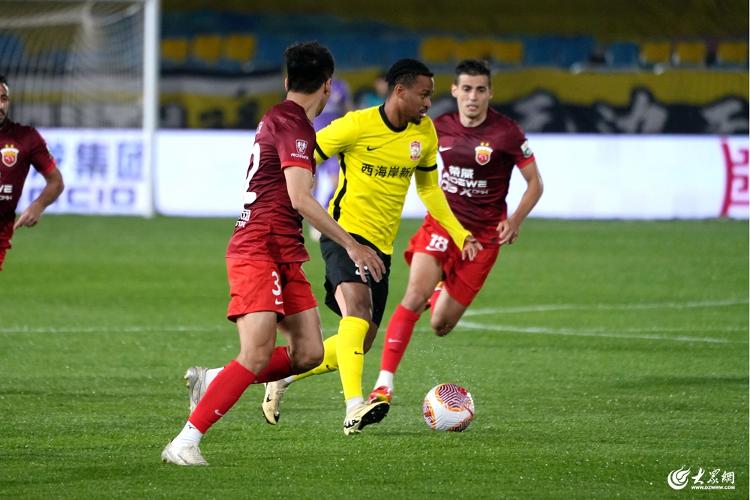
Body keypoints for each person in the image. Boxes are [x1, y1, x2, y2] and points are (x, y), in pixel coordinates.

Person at [160, 42, 385, 466]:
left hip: (285, 250)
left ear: (286, 81)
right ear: (328, 86)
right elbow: (300, 198)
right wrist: (351, 243)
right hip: (258, 247)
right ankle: (185, 442)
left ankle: (214, 379)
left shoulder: (283, 119)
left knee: (309, 353)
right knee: (256, 352)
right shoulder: (294, 125)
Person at [258, 58, 482, 434]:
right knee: (357, 312)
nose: (429, 103)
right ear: (400, 91)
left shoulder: (424, 133)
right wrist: (293, 202)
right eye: (424, 94)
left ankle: (284, 376)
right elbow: (303, 157)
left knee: (359, 340)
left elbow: (429, 189)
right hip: (343, 235)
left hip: (382, 246)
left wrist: (460, 234)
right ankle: (354, 407)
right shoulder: (356, 125)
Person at [368, 59, 544, 404]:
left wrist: (515, 220)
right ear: (454, 91)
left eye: (480, 90)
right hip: (443, 224)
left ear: (490, 93)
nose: (472, 96)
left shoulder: (507, 133)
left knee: (440, 325)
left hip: (483, 238)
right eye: (466, 89)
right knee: (413, 296)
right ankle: (383, 384)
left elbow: (535, 183)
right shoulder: (438, 127)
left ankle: (439, 289)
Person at [0, 75, 64, 270]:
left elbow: (56, 182)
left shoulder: (26, 138)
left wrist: (38, 205)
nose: (0, 105)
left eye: (3, 99)